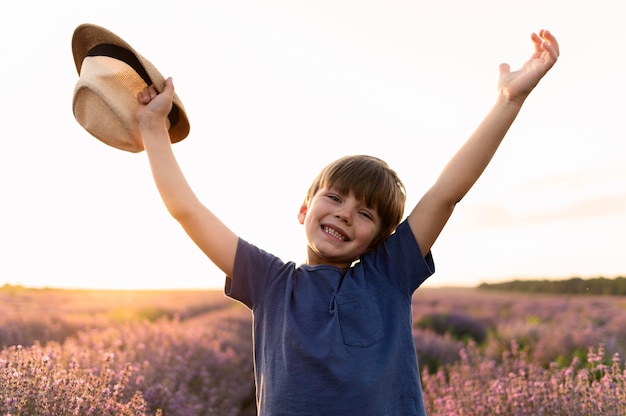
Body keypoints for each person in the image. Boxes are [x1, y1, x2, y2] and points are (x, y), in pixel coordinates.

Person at [135, 29, 559, 415]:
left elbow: (447, 192)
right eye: (334, 197)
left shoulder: (387, 276)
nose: (344, 213)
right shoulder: (269, 281)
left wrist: (508, 101)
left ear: (379, 240)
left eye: (365, 213)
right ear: (305, 210)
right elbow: (187, 210)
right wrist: (154, 130)